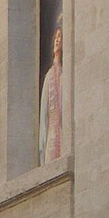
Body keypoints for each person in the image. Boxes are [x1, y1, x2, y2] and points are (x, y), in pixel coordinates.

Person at [38, 16, 65, 163]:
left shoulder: (64, 74)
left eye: (60, 37)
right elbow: (44, 112)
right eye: (56, 37)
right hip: (51, 134)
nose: (57, 40)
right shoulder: (49, 76)